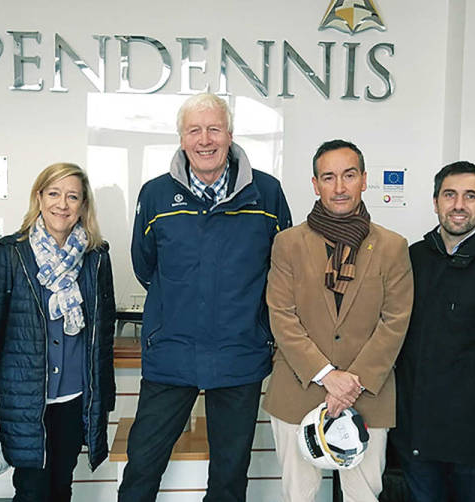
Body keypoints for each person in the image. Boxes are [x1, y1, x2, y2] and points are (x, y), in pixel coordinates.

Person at [119, 93, 292, 502]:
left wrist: (261, 330)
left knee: (230, 475)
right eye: (194, 130)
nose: (205, 139)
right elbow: (146, 266)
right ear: (181, 139)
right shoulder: (156, 194)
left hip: (240, 353)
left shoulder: (267, 193)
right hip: (172, 352)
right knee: (143, 465)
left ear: (230, 135)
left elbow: (282, 269)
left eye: (214, 129)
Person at [263, 139, 413, 502]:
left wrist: (351, 384)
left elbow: (395, 321)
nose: (340, 187)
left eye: (348, 175)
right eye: (328, 177)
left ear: (364, 179)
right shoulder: (288, 243)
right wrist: (328, 377)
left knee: (363, 496)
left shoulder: (393, 246)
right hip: (298, 389)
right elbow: (282, 316)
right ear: (315, 185)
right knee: (299, 496)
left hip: (367, 394)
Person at [390, 162, 475, 502]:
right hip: (417, 435)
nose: (458, 205)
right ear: (435, 201)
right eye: (449, 195)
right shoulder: (412, 259)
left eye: (471, 196)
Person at [0, 163, 116, 502]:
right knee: (31, 490)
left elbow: (103, 334)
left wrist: (104, 395)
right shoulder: (10, 255)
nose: (62, 204)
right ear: (39, 198)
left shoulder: (96, 257)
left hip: (73, 397)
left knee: (61, 486)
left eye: (73, 196)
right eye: (54, 193)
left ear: (83, 206)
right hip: (25, 399)